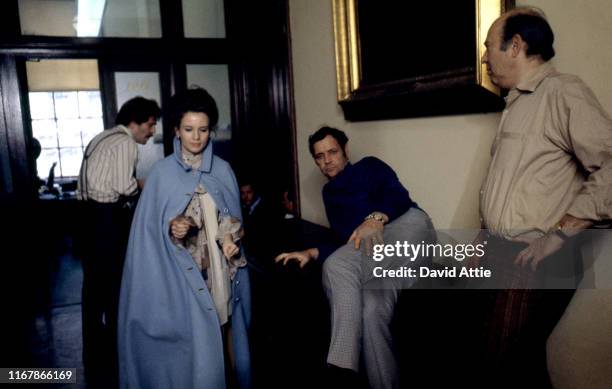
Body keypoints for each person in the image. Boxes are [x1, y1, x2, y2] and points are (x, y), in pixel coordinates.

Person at [477, 7, 612, 385]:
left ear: (515, 45)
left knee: (500, 364)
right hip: (500, 249)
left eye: (489, 47)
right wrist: (483, 235)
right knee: (517, 365)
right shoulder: (516, 102)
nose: (485, 56)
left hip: (536, 257)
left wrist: (560, 234)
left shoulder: (563, 92)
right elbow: (511, 183)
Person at [275, 126, 434, 389]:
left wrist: (375, 218)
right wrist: (311, 252)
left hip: (410, 229)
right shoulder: (330, 194)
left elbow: (398, 196)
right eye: (320, 156)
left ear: (346, 150)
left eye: (333, 152)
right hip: (382, 258)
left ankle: (340, 369)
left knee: (336, 264)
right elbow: (346, 241)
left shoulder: (369, 167)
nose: (327, 160)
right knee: (371, 311)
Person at [118, 87, 251, 389]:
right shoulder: (162, 174)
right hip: (177, 274)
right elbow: (149, 233)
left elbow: (231, 219)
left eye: (203, 130)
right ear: (176, 130)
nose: (196, 137)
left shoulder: (223, 170)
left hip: (217, 269)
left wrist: (230, 237)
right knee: (190, 339)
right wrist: (172, 227)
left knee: (225, 326)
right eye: (189, 129)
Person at [76, 96, 160, 388]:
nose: (151, 132)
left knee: (92, 288)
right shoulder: (125, 143)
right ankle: (117, 349)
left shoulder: (102, 136)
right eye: (150, 125)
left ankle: (93, 353)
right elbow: (124, 186)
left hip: (86, 217)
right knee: (114, 286)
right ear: (135, 122)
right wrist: (145, 184)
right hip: (106, 219)